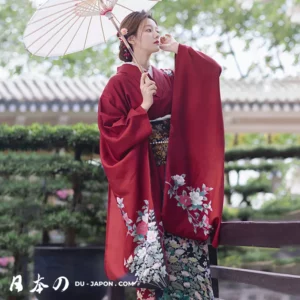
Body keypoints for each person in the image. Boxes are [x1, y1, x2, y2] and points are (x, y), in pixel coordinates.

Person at [98, 10, 224, 300]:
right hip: (145, 182)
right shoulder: (116, 86)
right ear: (127, 39)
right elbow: (111, 139)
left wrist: (178, 49)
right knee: (155, 272)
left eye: (157, 29)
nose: (156, 34)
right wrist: (142, 107)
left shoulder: (168, 76)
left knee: (190, 271)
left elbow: (211, 72)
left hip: (178, 181)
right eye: (147, 30)